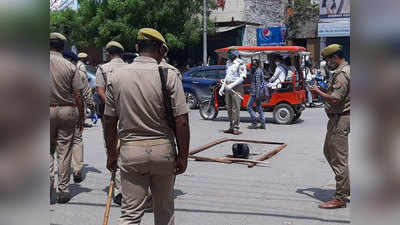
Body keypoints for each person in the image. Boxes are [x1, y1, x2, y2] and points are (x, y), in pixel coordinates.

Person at [104, 28, 190, 225]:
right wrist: (183, 156)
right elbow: (182, 120)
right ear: (161, 50)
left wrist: (111, 153)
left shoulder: (116, 76)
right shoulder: (169, 75)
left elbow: (109, 119)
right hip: (163, 152)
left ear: (137, 48)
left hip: (131, 151)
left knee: (130, 214)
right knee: (164, 213)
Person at [310, 44, 350, 209]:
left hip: (341, 119)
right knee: (328, 151)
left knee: (339, 159)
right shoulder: (343, 70)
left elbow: (335, 98)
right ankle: (346, 185)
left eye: (328, 60)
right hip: (335, 119)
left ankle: (341, 197)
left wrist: (317, 91)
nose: (327, 63)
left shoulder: (342, 74)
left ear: (335, 57)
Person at [49, 33, 84, 203]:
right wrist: (82, 115)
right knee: (64, 151)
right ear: (63, 48)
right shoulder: (70, 66)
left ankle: (47, 183)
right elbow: (78, 94)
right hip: (66, 110)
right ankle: (63, 190)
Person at [95, 41, 126, 205]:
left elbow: (100, 91)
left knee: (113, 149)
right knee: (127, 147)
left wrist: (112, 107)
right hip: (129, 113)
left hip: (110, 115)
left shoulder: (103, 68)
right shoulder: (129, 68)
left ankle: (120, 189)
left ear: (108, 53)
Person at [62, 50, 92, 183]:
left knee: (61, 143)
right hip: (76, 109)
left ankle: (63, 171)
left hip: (60, 108)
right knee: (77, 140)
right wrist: (89, 106)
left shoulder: (56, 71)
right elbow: (85, 92)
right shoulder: (80, 73)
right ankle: (78, 169)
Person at [219, 48, 247, 135]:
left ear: (235, 54)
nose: (228, 55)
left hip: (236, 87)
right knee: (229, 107)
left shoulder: (240, 63)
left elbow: (242, 77)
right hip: (228, 86)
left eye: (230, 53)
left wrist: (231, 85)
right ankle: (231, 126)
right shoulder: (228, 63)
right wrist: (223, 87)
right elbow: (227, 76)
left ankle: (236, 127)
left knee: (235, 108)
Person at [247, 59, 266, 129]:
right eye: (252, 64)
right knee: (259, 107)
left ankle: (254, 122)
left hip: (255, 93)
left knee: (248, 107)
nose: (253, 66)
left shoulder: (257, 71)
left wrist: (257, 94)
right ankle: (263, 123)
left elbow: (258, 84)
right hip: (257, 92)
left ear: (257, 65)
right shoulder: (257, 70)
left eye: (254, 65)